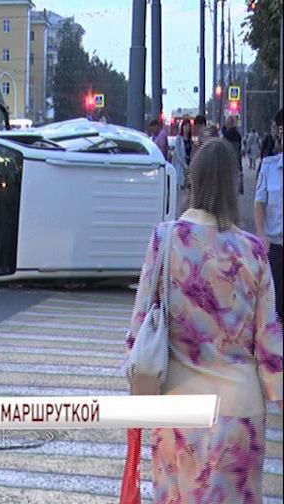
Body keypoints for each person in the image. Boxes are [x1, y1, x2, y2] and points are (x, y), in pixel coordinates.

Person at [126, 138, 282, 504]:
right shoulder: (254, 252)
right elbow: (270, 345)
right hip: (237, 411)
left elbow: (139, 329)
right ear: (233, 185)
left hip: (177, 409)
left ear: (192, 181)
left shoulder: (165, 240)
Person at [255, 109, 283, 323]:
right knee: (275, 309)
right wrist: (262, 237)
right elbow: (259, 203)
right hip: (276, 248)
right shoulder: (269, 167)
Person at [171, 119, 191, 211]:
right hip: (181, 168)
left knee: (188, 193)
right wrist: (185, 166)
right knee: (180, 192)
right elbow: (178, 154)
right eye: (185, 126)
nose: (187, 128)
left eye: (188, 126)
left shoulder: (190, 140)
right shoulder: (179, 139)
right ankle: (178, 212)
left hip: (189, 169)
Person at [221, 116, 244, 194]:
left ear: (228, 123)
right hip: (236, 162)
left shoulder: (227, 134)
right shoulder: (237, 134)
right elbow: (239, 150)